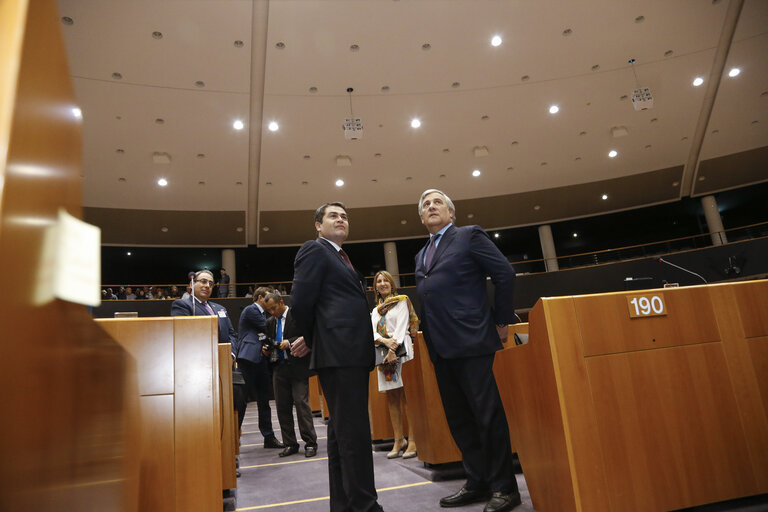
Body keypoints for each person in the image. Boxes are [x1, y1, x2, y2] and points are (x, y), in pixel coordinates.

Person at [414, 189, 520, 512]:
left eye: (437, 202)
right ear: (421, 218)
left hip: (472, 342)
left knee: (487, 417)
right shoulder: (420, 256)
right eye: (425, 205)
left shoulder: (468, 236)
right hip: (440, 349)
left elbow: (505, 274)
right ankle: (478, 481)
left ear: (450, 212)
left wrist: (501, 320)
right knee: (459, 420)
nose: (431, 206)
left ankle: (505, 487)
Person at [290, 202, 384, 512]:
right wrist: (311, 339)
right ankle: (366, 506)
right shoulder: (315, 250)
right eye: (333, 215)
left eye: (344, 216)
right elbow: (302, 299)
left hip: (348, 353)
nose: (340, 219)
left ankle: (344, 505)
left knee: (341, 434)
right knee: (354, 434)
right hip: (340, 353)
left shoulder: (341, 257)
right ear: (318, 225)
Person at [370, 270, 419, 459]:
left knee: (407, 396)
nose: (382, 283)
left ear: (392, 283)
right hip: (383, 354)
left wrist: (393, 348)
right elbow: (372, 333)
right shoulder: (375, 310)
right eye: (379, 281)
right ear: (375, 287)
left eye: (385, 280)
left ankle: (413, 440)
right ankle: (399, 439)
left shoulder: (401, 301)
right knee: (392, 396)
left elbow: (402, 325)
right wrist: (384, 343)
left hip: (401, 350)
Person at [264, 292, 318, 458]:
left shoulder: (297, 314)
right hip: (279, 369)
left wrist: (291, 341)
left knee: (301, 405)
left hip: (298, 366)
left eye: (274, 308)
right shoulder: (270, 322)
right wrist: (266, 349)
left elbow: (310, 334)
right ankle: (290, 444)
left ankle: (310, 443)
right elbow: (269, 340)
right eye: (269, 310)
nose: (272, 312)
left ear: (281, 302)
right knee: (282, 408)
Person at [234, 286, 283, 449]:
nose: (270, 301)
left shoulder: (262, 314)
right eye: (268, 297)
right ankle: (233, 437)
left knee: (264, 401)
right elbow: (266, 328)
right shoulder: (251, 310)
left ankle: (268, 437)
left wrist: (265, 345)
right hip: (247, 359)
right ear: (261, 297)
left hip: (261, 360)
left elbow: (261, 334)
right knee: (241, 402)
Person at [170, 269, 237, 349]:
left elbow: (232, 335)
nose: (208, 286)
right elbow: (182, 336)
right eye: (203, 281)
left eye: (211, 284)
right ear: (192, 284)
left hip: (225, 357)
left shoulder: (220, 308)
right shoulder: (182, 305)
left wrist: (232, 354)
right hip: (199, 357)